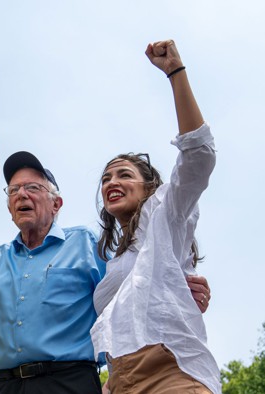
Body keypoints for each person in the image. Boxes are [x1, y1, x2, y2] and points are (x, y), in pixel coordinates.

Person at [0, 151, 212, 394]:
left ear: (56, 204)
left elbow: (133, 287)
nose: (21, 195)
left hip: (71, 382)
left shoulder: (87, 246)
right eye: (13, 191)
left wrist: (178, 285)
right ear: (9, 207)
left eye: (32, 187)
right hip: (6, 385)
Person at [90, 40, 220, 393]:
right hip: (119, 379)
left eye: (123, 175)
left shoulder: (165, 213)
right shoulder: (117, 262)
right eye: (105, 178)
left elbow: (199, 157)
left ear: (149, 188)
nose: (112, 182)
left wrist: (175, 72)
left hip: (169, 372)